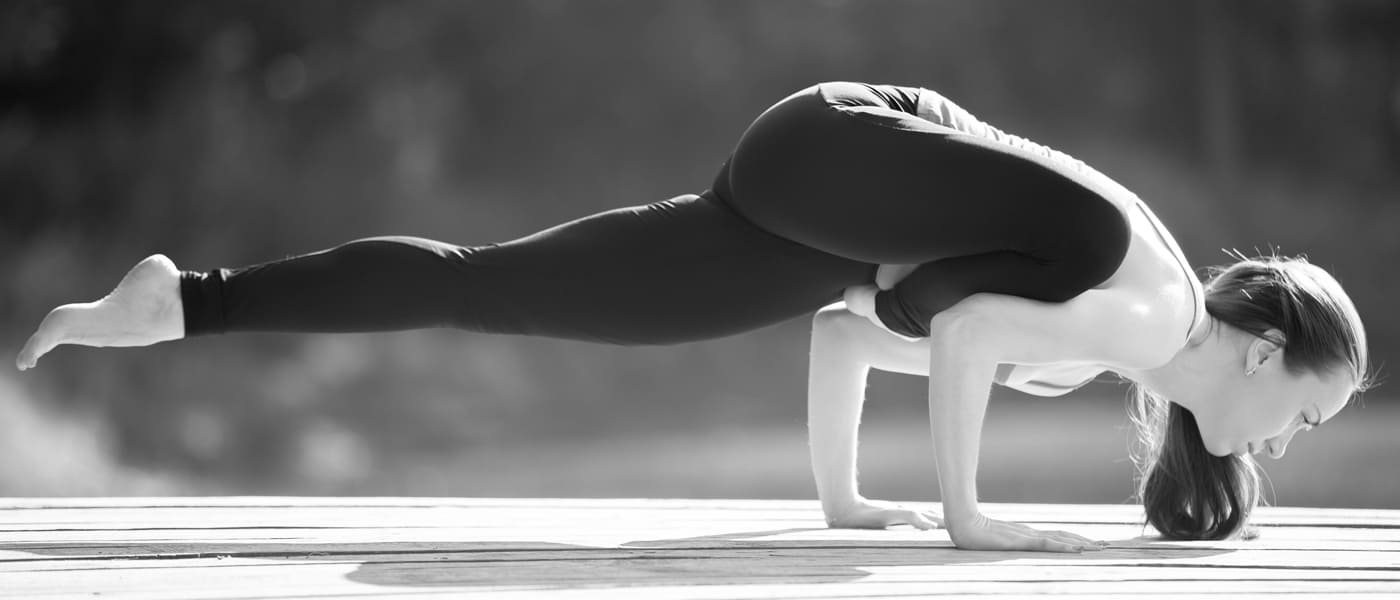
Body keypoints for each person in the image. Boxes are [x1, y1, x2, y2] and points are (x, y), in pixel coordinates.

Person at [15, 81, 1373, 552]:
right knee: (502, 293)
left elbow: (853, 333)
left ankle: (181, 304)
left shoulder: (1119, 322)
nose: (1283, 438)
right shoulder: (1146, 317)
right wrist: (967, 521)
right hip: (842, 159)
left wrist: (844, 505)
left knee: (490, 287)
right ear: (1262, 352)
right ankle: (184, 304)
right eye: (1302, 412)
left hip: (819, 184)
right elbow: (957, 343)